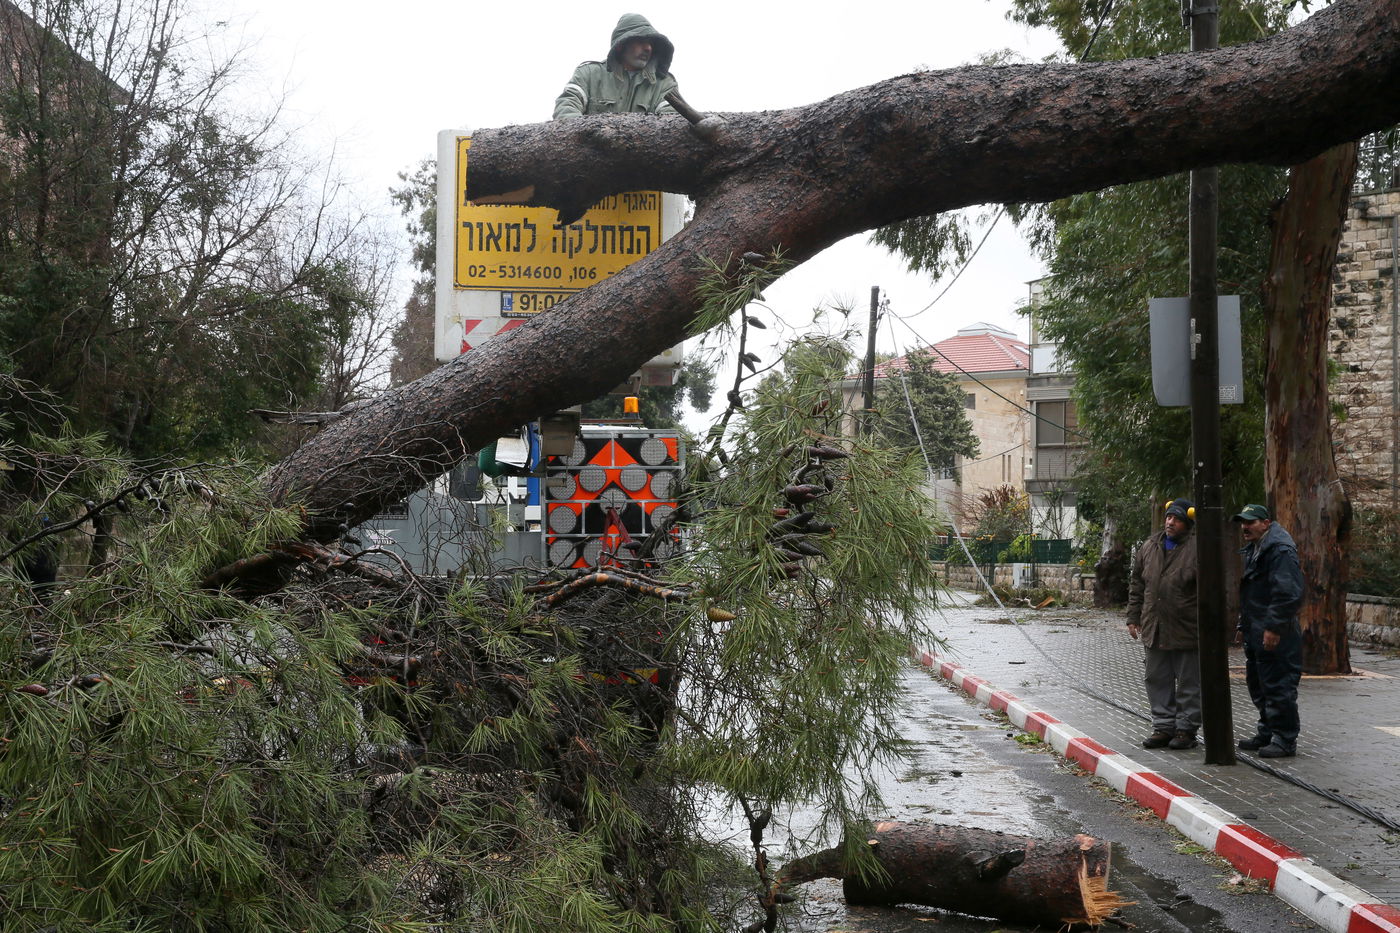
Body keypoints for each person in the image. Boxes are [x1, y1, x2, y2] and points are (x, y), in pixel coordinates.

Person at [1126, 498, 1201, 750]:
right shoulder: (1150, 546)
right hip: (1154, 626)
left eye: (1177, 519)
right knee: (1156, 678)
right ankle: (1163, 726)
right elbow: (1137, 584)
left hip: (1186, 627)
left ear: (1187, 523)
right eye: (1168, 517)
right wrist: (1133, 617)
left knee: (1189, 682)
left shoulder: (1197, 548)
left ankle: (1186, 730)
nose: (1170, 522)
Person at [1232, 503, 1305, 758]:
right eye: (1243, 522)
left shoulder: (1280, 550)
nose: (1245, 527)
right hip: (1256, 628)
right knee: (1259, 683)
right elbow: (1252, 593)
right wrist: (1244, 625)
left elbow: (1287, 593)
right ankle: (1267, 732)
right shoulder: (1256, 548)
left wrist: (1274, 627)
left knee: (1278, 685)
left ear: (1266, 523)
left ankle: (1284, 739)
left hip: (1276, 632)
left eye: (1250, 522)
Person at [553, 14, 679, 120]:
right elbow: (567, 106)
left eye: (651, 43)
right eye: (641, 41)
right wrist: (587, 137)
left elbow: (670, 121)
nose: (648, 48)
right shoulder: (589, 74)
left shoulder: (664, 84)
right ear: (621, 45)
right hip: (590, 148)